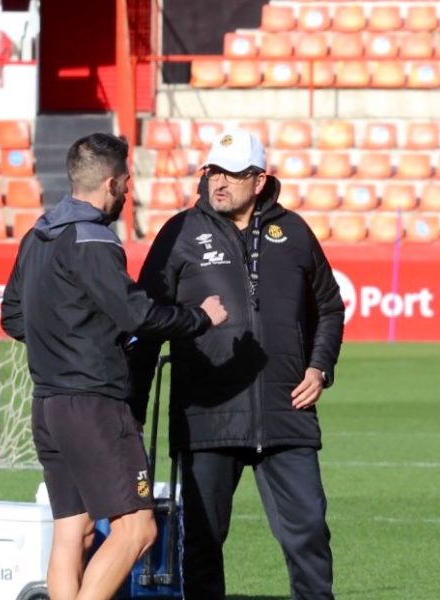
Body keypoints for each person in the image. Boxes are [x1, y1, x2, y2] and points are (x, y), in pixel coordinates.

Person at [0, 132, 228, 600]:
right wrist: (202, 317)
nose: (129, 192)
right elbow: (138, 313)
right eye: (126, 182)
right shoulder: (94, 238)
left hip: (48, 405)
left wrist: (68, 337)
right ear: (110, 183)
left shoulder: (37, 234)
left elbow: (14, 318)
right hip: (96, 407)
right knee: (137, 531)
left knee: (74, 533)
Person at [130, 128, 344, 599]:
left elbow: (329, 306)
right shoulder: (179, 233)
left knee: (309, 534)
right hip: (207, 416)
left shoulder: (296, 232)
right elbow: (145, 320)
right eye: (212, 171)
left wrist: (320, 366)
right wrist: (132, 408)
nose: (218, 182)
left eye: (232, 173)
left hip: (287, 412)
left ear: (260, 180)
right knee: (203, 544)